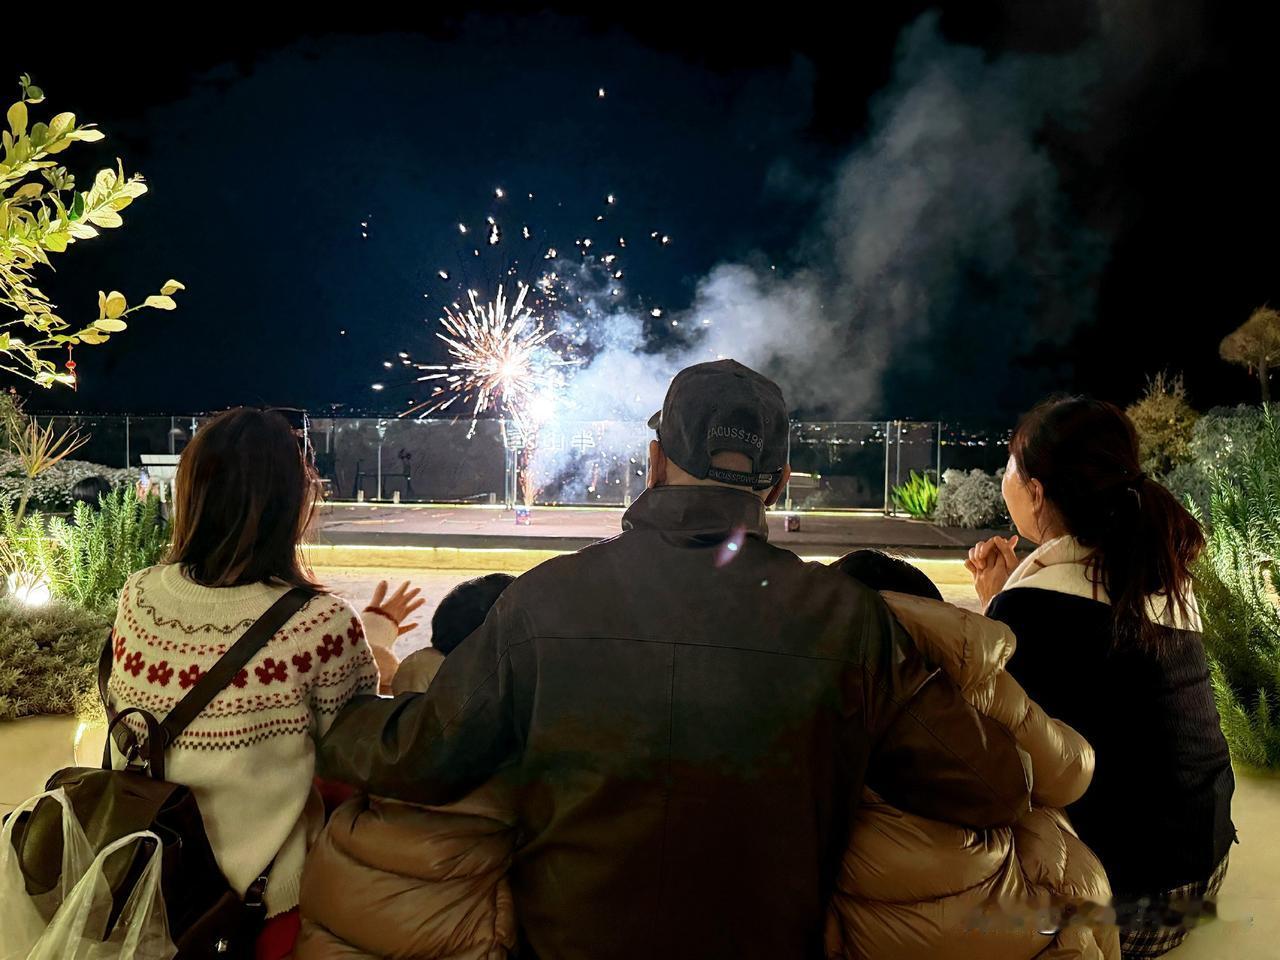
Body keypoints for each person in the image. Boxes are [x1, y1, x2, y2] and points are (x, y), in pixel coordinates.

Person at [318, 359, 1030, 960]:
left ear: (655, 462)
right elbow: (991, 783)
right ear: (778, 484)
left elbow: (418, 755)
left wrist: (326, 707)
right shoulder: (850, 620)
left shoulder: (544, 602)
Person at [104, 408, 423, 960]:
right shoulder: (319, 623)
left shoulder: (139, 595)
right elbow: (353, 744)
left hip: (142, 877)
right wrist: (378, 634)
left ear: (190, 494)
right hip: (257, 908)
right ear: (292, 503)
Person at [966, 397, 1235, 959]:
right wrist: (1007, 601)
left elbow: (995, 746)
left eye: (1010, 464)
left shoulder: (1034, 607)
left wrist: (998, 609)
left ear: (1035, 492)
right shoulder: (1156, 573)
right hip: (1201, 881)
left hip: (1128, 908)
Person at [827, 550, 1117, 960]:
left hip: (872, 934)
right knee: (1051, 828)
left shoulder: (813, 693)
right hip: (1013, 926)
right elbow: (1070, 773)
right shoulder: (974, 684)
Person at [297, 574, 520, 959]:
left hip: (327, 930)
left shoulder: (373, 726)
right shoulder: (518, 750)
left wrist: (374, 631)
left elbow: (375, 675)